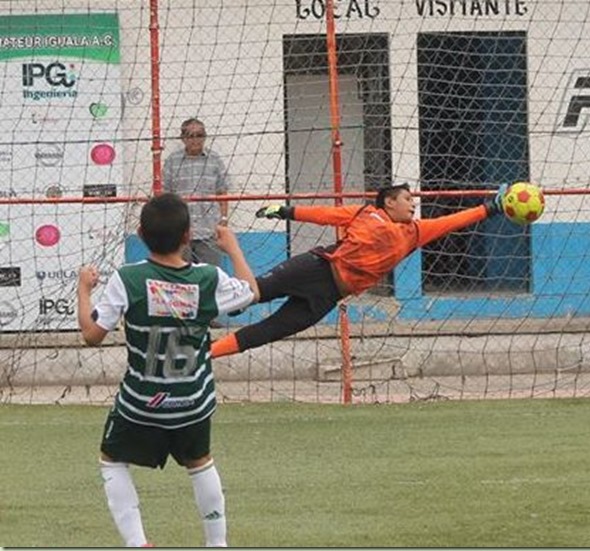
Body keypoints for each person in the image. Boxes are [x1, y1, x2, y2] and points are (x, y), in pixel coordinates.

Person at [77, 192, 258, 547]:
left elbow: (91, 335)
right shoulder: (208, 278)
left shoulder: (128, 279)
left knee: (112, 461)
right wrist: (233, 249)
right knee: (200, 462)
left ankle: (137, 543)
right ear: (188, 236)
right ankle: (217, 543)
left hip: (142, 402)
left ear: (141, 235)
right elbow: (252, 291)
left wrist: (84, 290)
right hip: (192, 399)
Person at [211, 182, 507, 359]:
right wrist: (286, 211)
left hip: (329, 295)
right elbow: (326, 215)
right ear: (389, 201)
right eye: (407, 199)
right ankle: (212, 308)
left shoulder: (415, 232)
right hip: (316, 267)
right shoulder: (365, 213)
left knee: (269, 331)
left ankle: (206, 354)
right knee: (250, 294)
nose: (413, 205)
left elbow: (453, 221)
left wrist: (490, 208)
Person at [163, 118, 230, 266]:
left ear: (205, 137)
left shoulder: (214, 160)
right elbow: (165, 193)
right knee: (181, 278)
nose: (195, 140)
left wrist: (224, 219)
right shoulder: (172, 161)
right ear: (183, 138)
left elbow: (222, 191)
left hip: (209, 232)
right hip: (180, 232)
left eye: (199, 135)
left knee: (211, 276)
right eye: (190, 136)